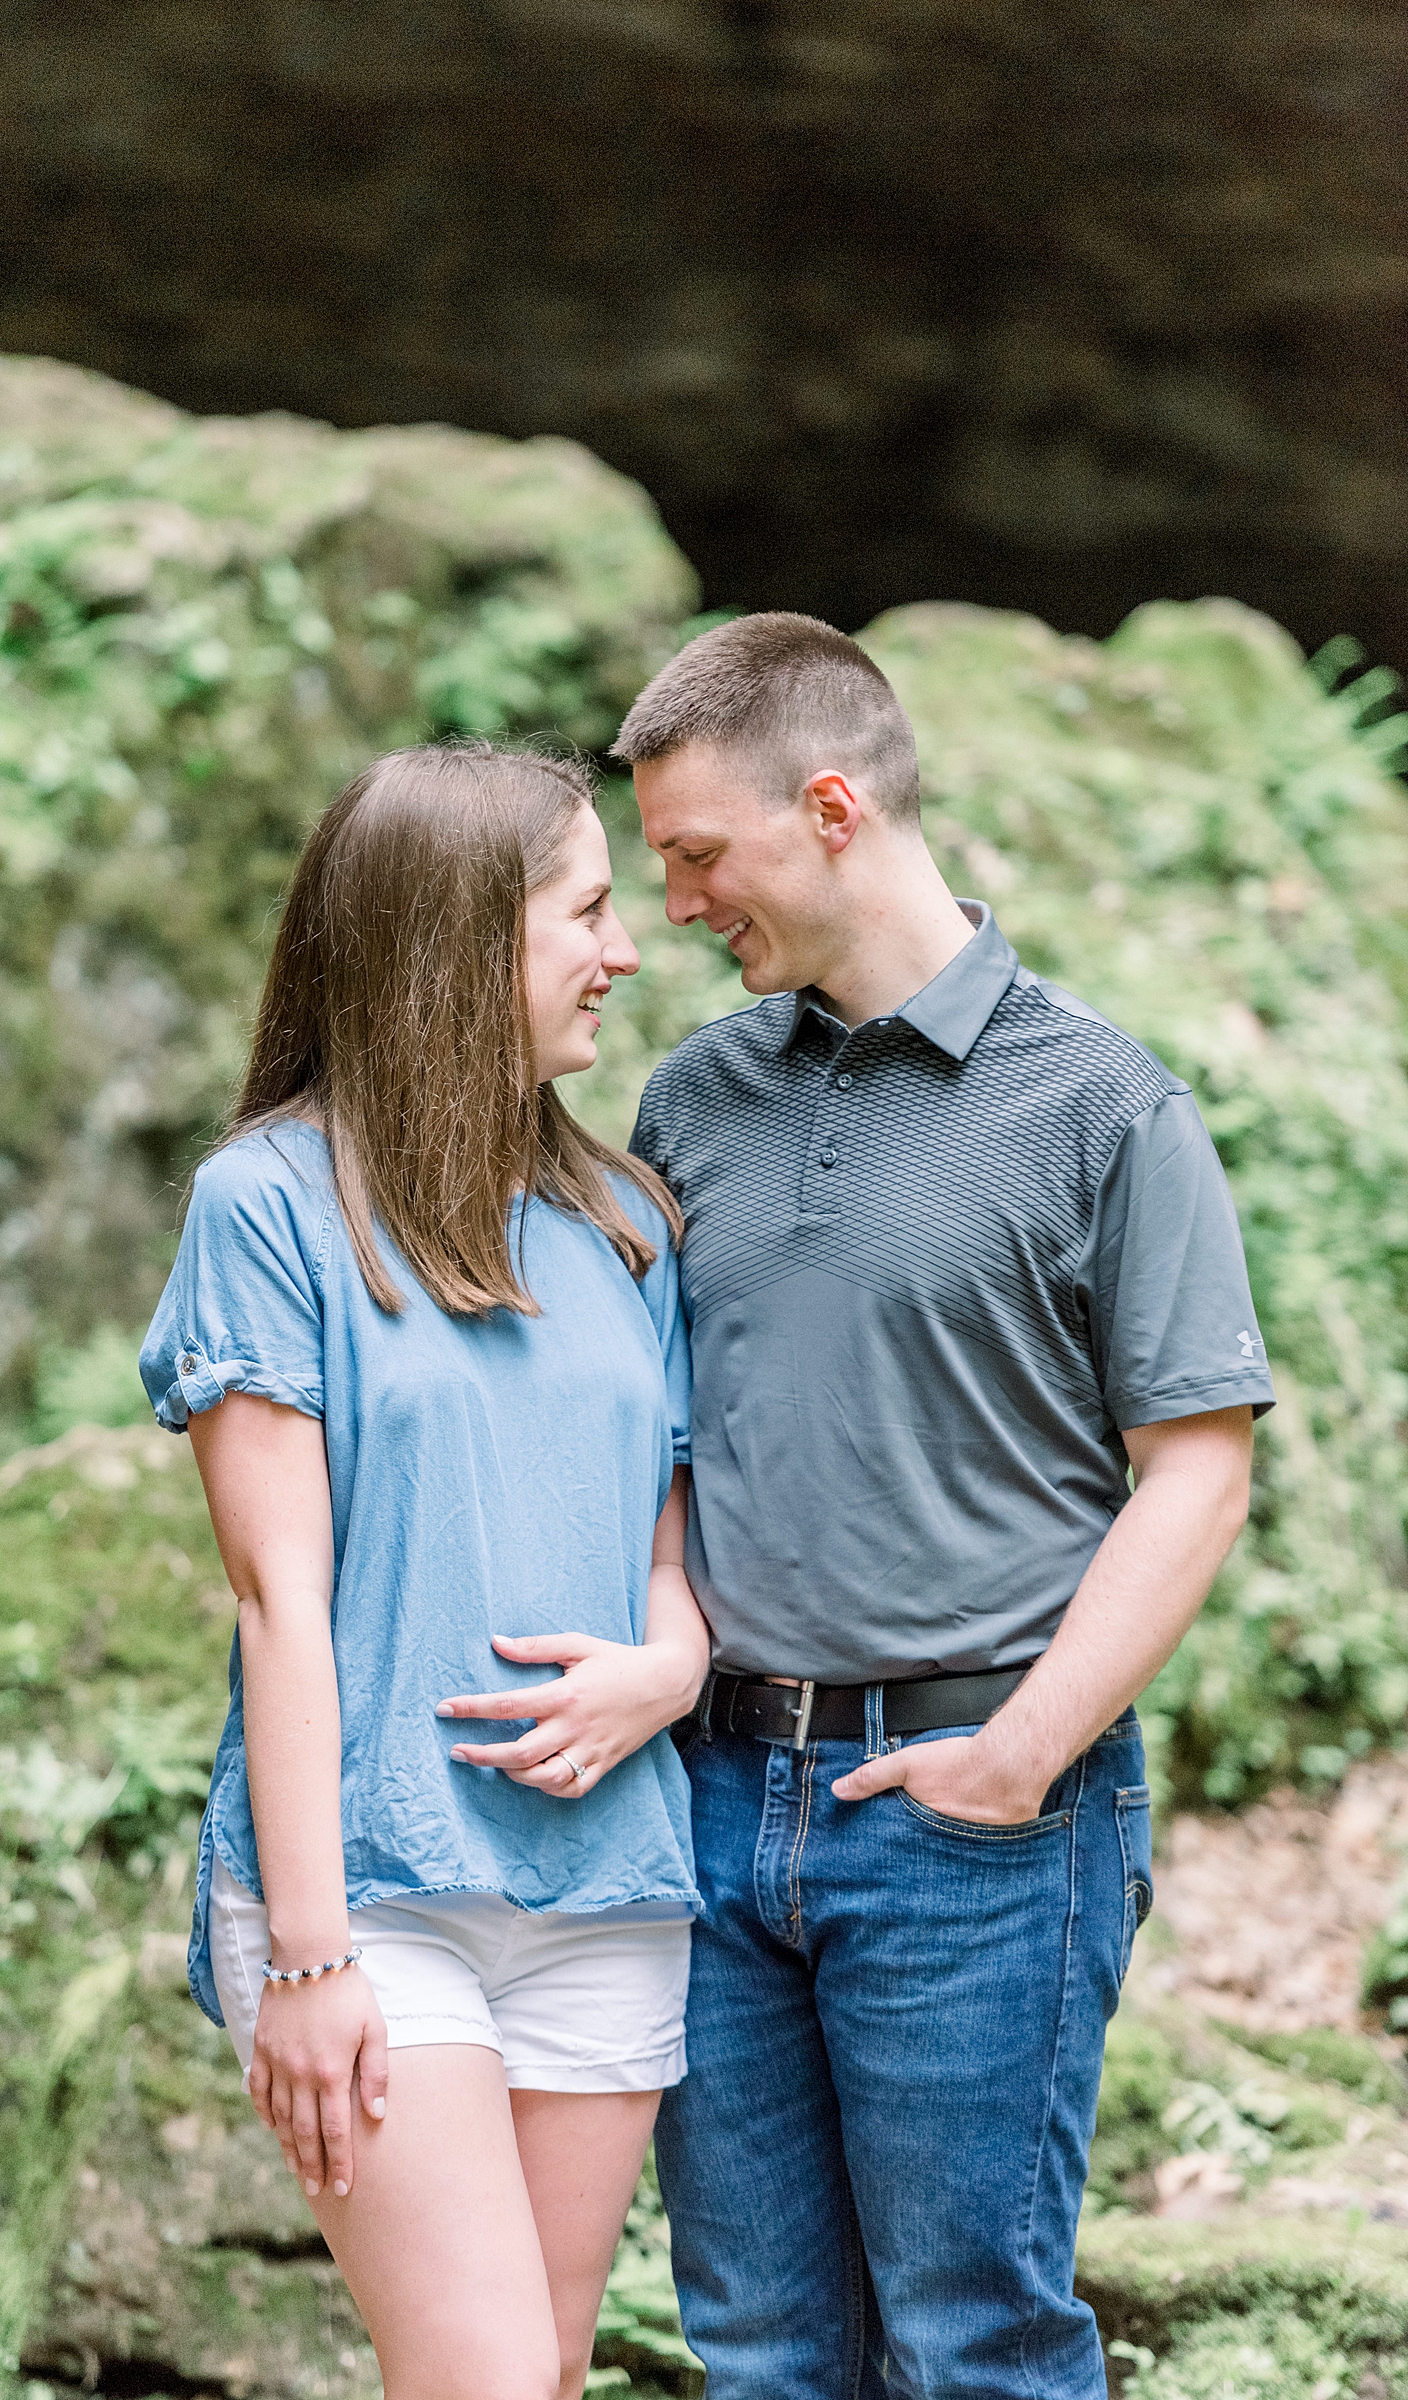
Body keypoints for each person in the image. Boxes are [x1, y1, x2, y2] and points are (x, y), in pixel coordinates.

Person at [611, 613, 1277, 2400]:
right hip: (714, 1804)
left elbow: (1197, 1471)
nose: (673, 907)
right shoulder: (690, 1100)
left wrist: (1024, 1754)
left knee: (972, 2348)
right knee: (755, 2352)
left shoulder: (1100, 1107)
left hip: (979, 1817)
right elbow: (653, 1440)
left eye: (695, 857)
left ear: (830, 806)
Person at [138, 742, 711, 2400]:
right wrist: (307, 1956)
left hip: (606, 1883)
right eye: (588, 911)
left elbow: (670, 1546)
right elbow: (276, 1601)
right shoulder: (265, 1208)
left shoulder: (625, 1223)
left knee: (534, 2376)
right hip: (372, 1888)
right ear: (461, 942)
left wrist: (669, 1665)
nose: (623, 947)